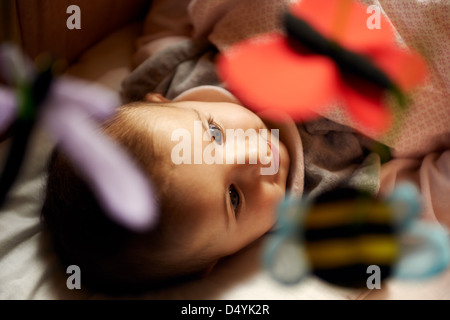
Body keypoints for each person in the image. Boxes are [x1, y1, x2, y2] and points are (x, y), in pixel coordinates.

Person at [41, 0, 450, 293]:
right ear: (218, 260)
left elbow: (172, 14)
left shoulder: (170, 73)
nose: (252, 156)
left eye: (214, 135)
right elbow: (430, 192)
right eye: (233, 198)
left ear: (162, 100)